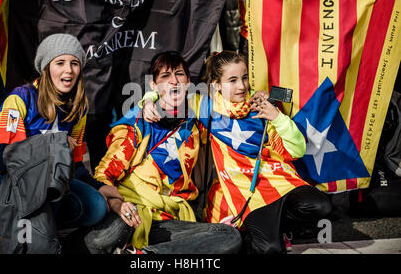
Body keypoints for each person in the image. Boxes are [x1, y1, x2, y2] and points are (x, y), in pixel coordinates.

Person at [142, 50, 332, 254]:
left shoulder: (260, 104)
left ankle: (276, 230)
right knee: (270, 249)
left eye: (244, 78)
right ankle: (255, 235)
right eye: (232, 80)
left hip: (276, 178)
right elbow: (171, 95)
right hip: (244, 189)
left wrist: (277, 117)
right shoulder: (205, 105)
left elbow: (297, 150)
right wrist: (148, 100)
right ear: (216, 85)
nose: (241, 86)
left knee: (321, 207)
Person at [0, 34, 107, 252]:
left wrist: (101, 187)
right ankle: (29, 235)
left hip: (50, 187)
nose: (69, 70)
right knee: (48, 183)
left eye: (75, 63)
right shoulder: (20, 98)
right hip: (3, 184)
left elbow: (75, 167)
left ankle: (43, 233)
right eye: (60, 63)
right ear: (46, 68)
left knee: (96, 206)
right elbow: (1, 161)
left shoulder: (78, 108)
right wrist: (54, 144)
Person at [84, 51, 242, 254]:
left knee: (227, 235)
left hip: (169, 220)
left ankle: (143, 254)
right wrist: (116, 204)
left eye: (180, 74)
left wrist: (258, 99)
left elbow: (231, 110)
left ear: (187, 82)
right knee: (110, 234)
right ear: (153, 85)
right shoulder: (136, 124)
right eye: (165, 76)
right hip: (131, 212)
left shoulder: (197, 122)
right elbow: (103, 175)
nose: (174, 81)